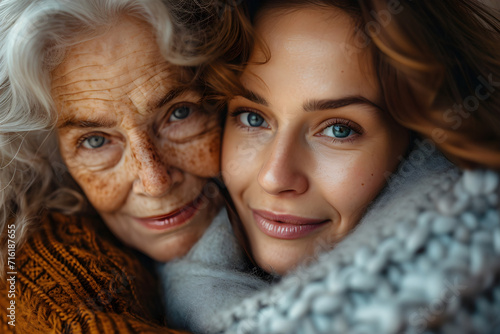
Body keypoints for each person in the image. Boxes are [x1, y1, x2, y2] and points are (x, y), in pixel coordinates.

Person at [161, 0, 500, 333]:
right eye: (253, 118)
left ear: (418, 142)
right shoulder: (145, 270)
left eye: (339, 130)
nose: (274, 177)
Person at [0, 0, 250, 332]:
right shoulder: (37, 285)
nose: (155, 180)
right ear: (53, 159)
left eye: (179, 113)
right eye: (96, 141)